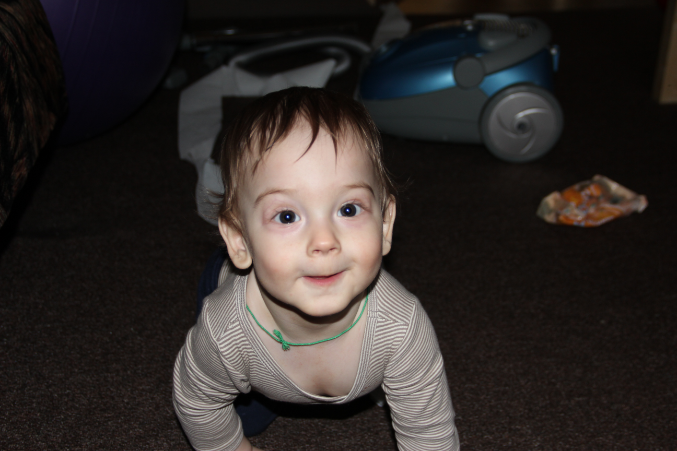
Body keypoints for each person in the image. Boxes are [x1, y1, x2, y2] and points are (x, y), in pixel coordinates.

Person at [173, 87, 459, 451]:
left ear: (385, 225)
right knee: (247, 417)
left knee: (403, 381)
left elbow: (429, 435)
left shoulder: (401, 328)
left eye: (348, 209)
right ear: (241, 240)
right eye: (287, 216)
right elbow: (197, 402)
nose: (324, 241)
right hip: (228, 287)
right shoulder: (225, 330)